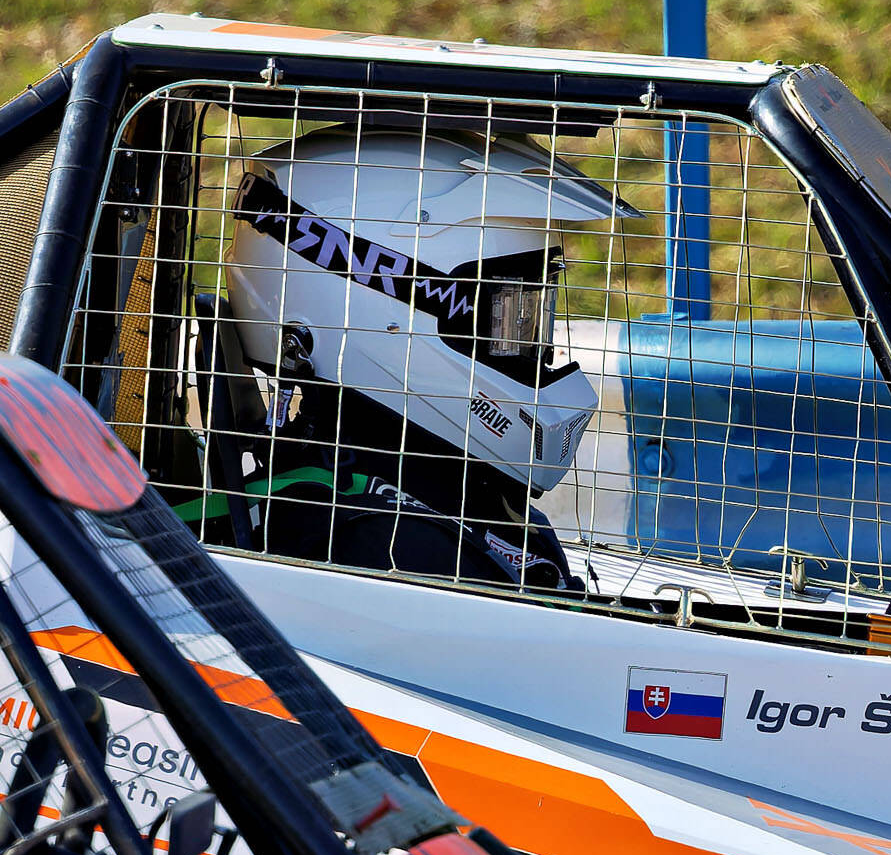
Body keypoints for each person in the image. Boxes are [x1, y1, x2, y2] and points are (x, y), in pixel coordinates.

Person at [220, 125, 637, 593]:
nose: (530, 344)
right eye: (507, 317)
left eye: (529, 316)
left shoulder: (444, 499)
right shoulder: (390, 542)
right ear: (383, 305)